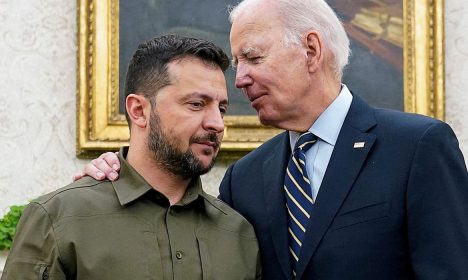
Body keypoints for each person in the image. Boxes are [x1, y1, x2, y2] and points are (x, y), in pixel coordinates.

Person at [74, 0, 468, 279]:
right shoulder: (244, 179)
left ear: (311, 50)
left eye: (253, 58)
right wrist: (117, 176)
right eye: (237, 63)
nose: (240, 78)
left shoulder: (417, 148)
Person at [2, 34, 261, 280]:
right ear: (139, 111)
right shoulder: (58, 218)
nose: (217, 123)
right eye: (196, 104)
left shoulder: (239, 234)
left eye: (222, 108)